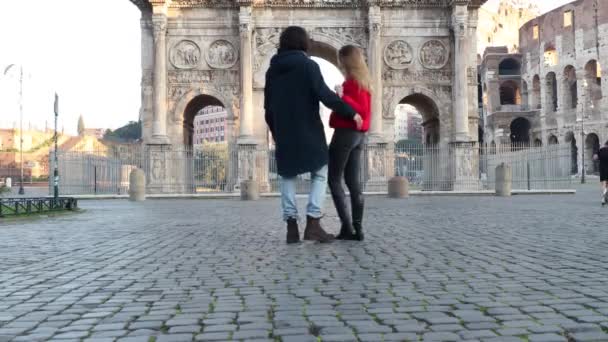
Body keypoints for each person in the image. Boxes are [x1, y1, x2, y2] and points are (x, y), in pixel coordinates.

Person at [264, 26, 363, 244]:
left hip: (285, 132)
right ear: (303, 43)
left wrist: (275, 131)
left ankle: (291, 226)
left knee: (287, 176)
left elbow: (268, 108)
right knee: (320, 172)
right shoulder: (309, 66)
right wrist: (350, 112)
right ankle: (313, 222)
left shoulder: (271, 70)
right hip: (309, 130)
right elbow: (325, 95)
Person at [328, 45, 371, 241]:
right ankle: (358, 229)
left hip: (346, 133)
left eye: (341, 59)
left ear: (346, 60)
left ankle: (347, 227)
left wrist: (340, 95)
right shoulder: (365, 82)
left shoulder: (352, 83)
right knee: (353, 182)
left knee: (334, 179)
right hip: (359, 136)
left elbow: (359, 108)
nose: (339, 62)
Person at [593, 140, 608, 205]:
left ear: (605, 144)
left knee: (604, 184)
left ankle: (603, 198)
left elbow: (595, 157)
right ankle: (605, 197)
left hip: (603, 169)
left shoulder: (601, 150)